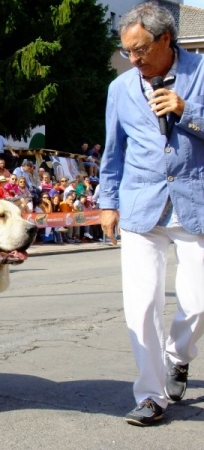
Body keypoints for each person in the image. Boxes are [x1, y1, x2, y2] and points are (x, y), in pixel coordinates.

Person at [100, 2, 204, 427]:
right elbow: (112, 152)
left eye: (140, 50)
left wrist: (187, 112)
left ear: (166, 39)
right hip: (141, 206)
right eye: (128, 52)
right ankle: (151, 395)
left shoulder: (201, 71)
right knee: (141, 306)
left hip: (194, 204)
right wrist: (107, 202)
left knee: (199, 304)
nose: (134, 60)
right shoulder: (121, 88)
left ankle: (177, 356)